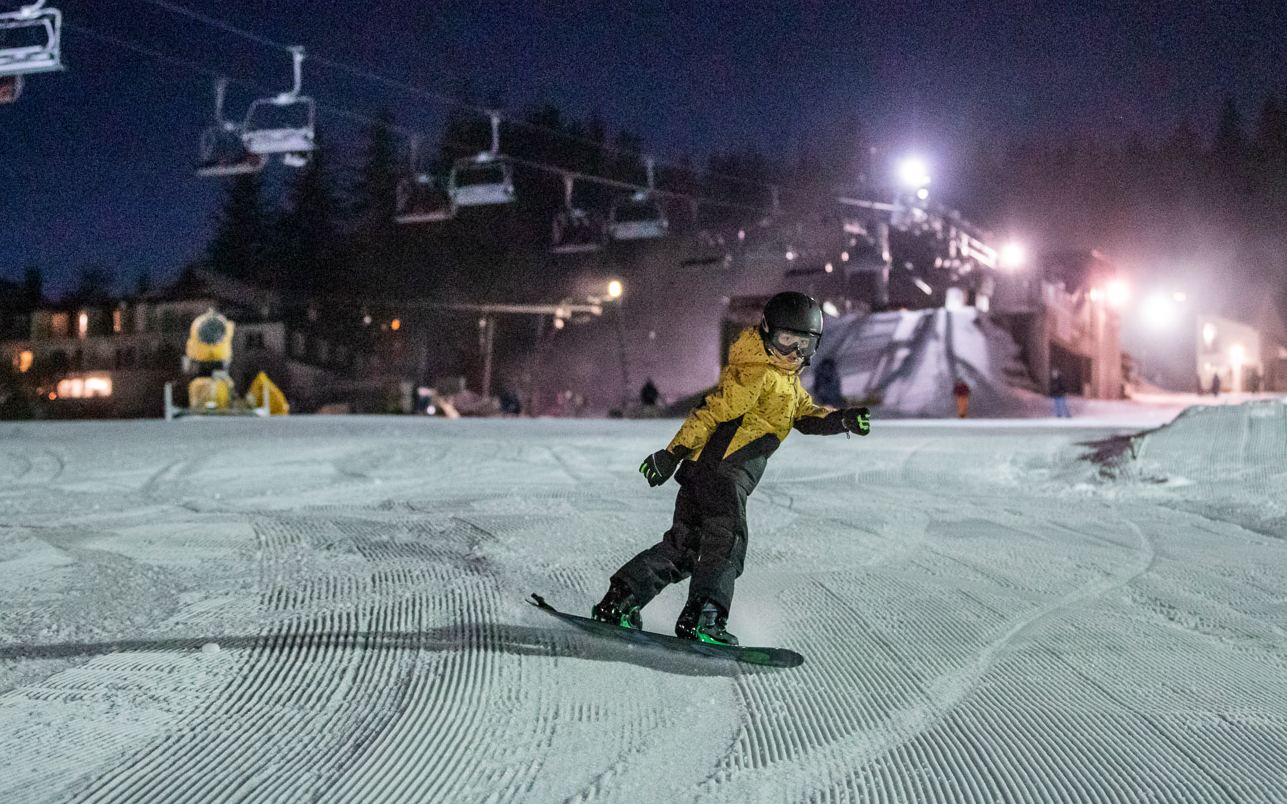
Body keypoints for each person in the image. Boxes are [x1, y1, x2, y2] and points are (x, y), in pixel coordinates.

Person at [591, 292, 871, 645]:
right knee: (726, 545)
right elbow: (709, 412)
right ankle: (704, 617)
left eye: (804, 345)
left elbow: (806, 415)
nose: (793, 354)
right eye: (786, 342)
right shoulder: (757, 375)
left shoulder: (784, 382)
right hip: (724, 475)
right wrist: (670, 453)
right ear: (767, 333)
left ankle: (620, 601)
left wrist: (843, 419)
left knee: (684, 548)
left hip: (703, 475)